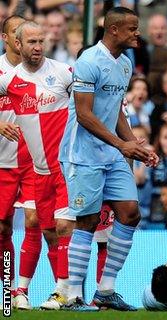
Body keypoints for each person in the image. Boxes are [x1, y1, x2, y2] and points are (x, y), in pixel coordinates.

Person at [59, 7, 159, 311]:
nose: (136, 33)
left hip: (112, 152)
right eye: (131, 28)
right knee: (87, 220)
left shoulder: (126, 64)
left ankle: (106, 290)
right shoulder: (88, 61)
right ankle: (72, 296)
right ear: (113, 30)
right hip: (83, 153)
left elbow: (115, 109)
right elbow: (85, 115)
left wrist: (134, 145)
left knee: (130, 212)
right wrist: (122, 145)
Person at [0, 20, 77, 311]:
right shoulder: (9, 79)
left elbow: (87, 104)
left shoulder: (63, 72)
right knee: (36, 230)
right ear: (16, 43)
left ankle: (64, 290)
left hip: (61, 166)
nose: (38, 47)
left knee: (59, 225)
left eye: (41, 41)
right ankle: (12, 291)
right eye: (31, 42)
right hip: (24, 167)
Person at [0, 14, 41, 310]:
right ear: (6, 38)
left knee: (34, 220)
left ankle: (21, 291)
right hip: (2, 162)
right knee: (2, 229)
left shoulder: (42, 71)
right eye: (15, 32)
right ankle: (6, 288)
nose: (19, 38)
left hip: (33, 162)